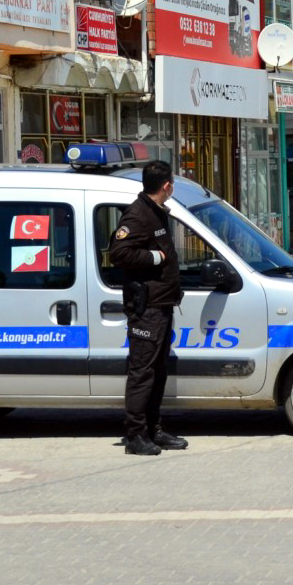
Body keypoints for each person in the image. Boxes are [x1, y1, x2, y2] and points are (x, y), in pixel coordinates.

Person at [108, 160, 188, 455]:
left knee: (158, 371)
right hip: (147, 308)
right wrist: (155, 258)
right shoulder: (139, 214)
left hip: (161, 305)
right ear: (167, 186)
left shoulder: (155, 212)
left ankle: (154, 429)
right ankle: (136, 436)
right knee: (142, 373)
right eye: (172, 184)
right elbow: (119, 253)